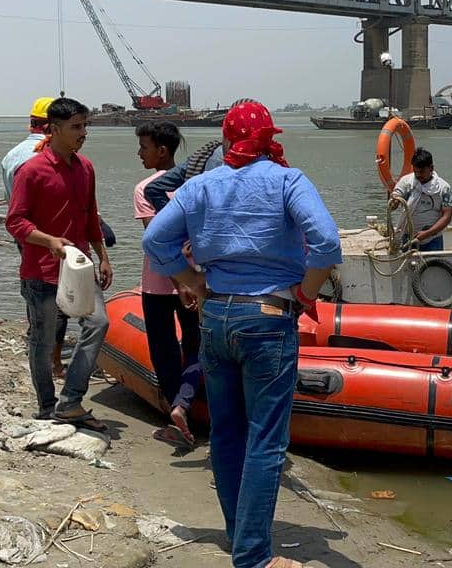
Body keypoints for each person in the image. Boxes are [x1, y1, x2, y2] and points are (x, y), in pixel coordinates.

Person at [142, 101, 341, 568]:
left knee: (227, 433)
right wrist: (305, 295)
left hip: (216, 318)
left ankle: (239, 536)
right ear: (269, 138)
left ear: (227, 141)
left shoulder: (201, 185)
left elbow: (154, 242)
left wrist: (190, 282)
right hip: (269, 317)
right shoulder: (288, 180)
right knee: (266, 440)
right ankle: (253, 555)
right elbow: (328, 243)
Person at [5, 97, 112, 428]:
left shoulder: (86, 168)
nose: (83, 134)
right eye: (76, 127)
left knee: (98, 323)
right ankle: (47, 406)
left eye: (85, 126)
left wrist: (103, 257)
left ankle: (72, 400)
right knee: (44, 339)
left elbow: (90, 218)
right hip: (42, 270)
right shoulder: (32, 171)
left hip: (80, 266)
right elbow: (15, 221)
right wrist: (48, 241)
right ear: (54, 130)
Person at [134, 120, 201, 446]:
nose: (139, 154)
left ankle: (176, 414)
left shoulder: (145, 188)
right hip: (199, 281)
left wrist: (178, 283)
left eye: (143, 148)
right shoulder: (197, 183)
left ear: (161, 151)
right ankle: (188, 406)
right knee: (196, 345)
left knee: (164, 351)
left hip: (160, 286)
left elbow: (157, 239)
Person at [1, 96, 69, 378]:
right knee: (59, 297)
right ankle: (53, 362)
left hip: (25, 235)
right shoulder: (42, 157)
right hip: (51, 238)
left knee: (34, 289)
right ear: (52, 126)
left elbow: (13, 207)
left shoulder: (11, 155)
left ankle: (37, 339)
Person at [389, 147, 452, 251]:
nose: (418, 175)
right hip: (407, 237)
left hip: (432, 239)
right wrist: (394, 201)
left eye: (422, 172)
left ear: (431, 168)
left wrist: (427, 234)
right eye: (415, 172)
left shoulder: (443, 188)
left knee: (433, 266)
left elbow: (447, 217)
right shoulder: (406, 182)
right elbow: (397, 195)